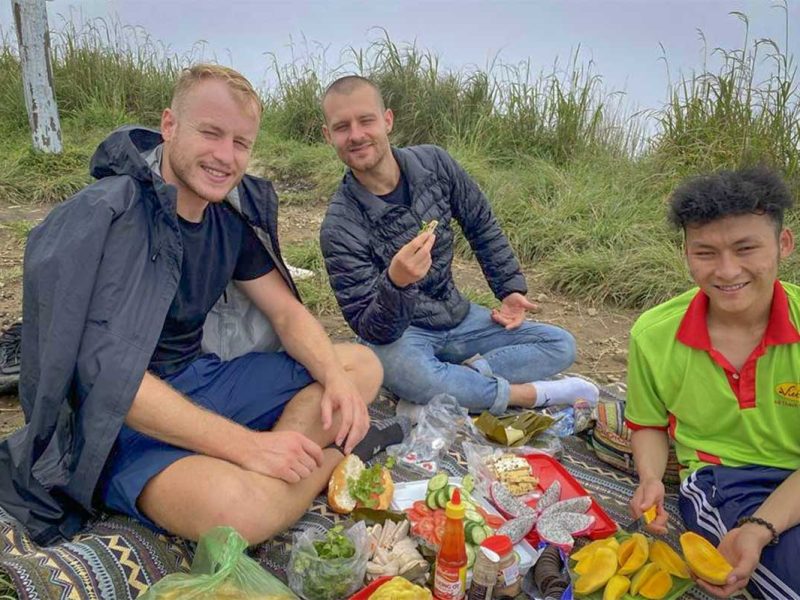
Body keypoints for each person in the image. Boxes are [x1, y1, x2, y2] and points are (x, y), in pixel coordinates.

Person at [0, 64, 404, 545]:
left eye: (240, 143)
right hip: (118, 424)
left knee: (359, 366)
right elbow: (106, 380)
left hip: (203, 378)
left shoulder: (227, 214)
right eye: (210, 133)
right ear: (169, 125)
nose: (224, 156)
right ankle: (331, 461)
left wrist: (334, 382)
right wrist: (247, 446)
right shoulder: (115, 215)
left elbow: (286, 312)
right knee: (237, 516)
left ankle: (286, 459)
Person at [318, 76, 598, 417]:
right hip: (403, 336)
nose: (357, 135)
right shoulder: (339, 225)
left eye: (366, 121)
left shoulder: (434, 163)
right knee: (406, 371)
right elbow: (371, 327)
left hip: (458, 317)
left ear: (387, 120)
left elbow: (480, 223)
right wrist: (396, 283)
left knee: (559, 345)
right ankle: (526, 395)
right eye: (342, 127)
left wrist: (509, 288)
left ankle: (455, 385)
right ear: (328, 136)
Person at [625, 166, 800, 599]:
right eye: (705, 253)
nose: (726, 271)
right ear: (686, 253)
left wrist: (765, 525)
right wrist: (649, 477)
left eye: (745, 248)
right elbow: (647, 423)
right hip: (726, 480)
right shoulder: (653, 335)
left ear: (783, 244)